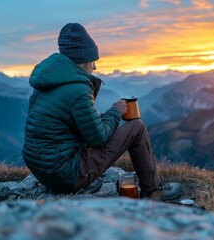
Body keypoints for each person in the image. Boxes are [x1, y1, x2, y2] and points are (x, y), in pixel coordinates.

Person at [22, 23, 182, 201]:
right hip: (65, 175)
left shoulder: (45, 84)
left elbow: (71, 127)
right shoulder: (77, 90)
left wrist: (103, 117)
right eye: (93, 60)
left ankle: (83, 180)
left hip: (42, 170)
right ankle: (153, 191)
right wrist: (115, 112)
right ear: (84, 60)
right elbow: (98, 138)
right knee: (136, 128)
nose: (95, 68)